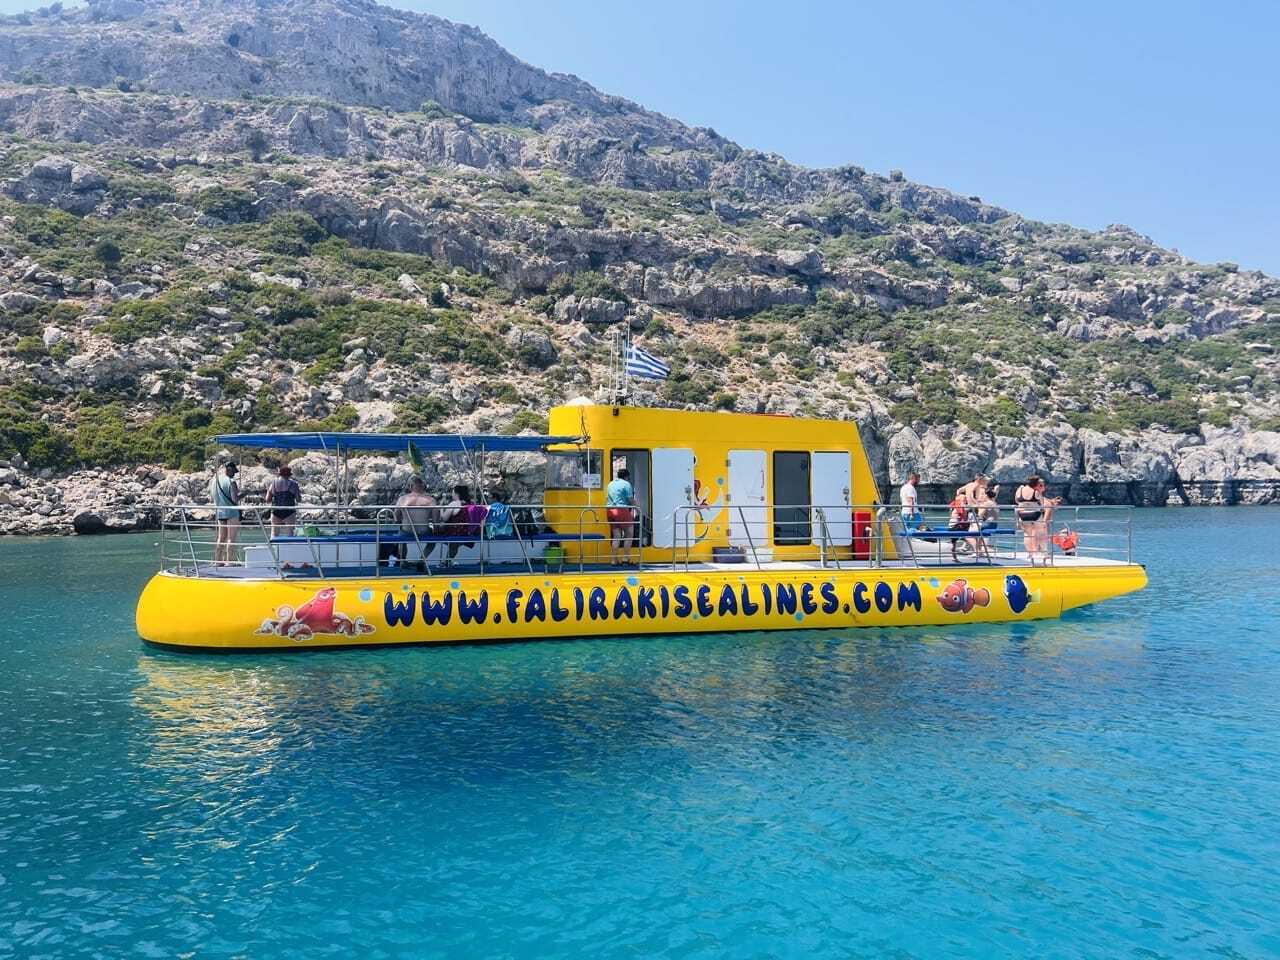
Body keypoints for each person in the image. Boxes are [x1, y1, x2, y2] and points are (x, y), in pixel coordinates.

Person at [1014, 475, 1060, 564]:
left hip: (1022, 514)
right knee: (1041, 533)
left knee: (1027, 534)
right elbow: (1042, 504)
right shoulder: (1035, 492)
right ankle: (1044, 553)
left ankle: (1031, 553)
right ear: (1036, 484)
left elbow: (1016, 500)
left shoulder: (1020, 490)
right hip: (1035, 514)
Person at [394, 477, 437, 568]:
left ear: (410, 487)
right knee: (433, 541)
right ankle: (421, 560)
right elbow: (435, 519)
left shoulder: (403, 499)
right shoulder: (430, 500)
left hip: (407, 531)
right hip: (423, 531)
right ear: (423, 487)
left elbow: (396, 516)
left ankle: (403, 561)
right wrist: (436, 529)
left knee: (401, 537)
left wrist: (399, 521)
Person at [209, 462, 240, 565]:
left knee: (221, 538)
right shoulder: (231, 481)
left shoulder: (215, 481)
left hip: (220, 512)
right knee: (231, 538)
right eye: (234, 472)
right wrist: (244, 494)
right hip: (232, 513)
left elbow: (213, 497)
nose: (234, 474)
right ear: (229, 470)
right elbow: (235, 500)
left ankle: (217, 561)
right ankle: (230, 562)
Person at [606, 467, 638, 565]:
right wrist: (638, 509)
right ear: (627, 477)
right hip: (622, 510)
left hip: (610, 511)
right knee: (629, 534)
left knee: (616, 536)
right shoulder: (626, 484)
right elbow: (630, 500)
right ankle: (625, 558)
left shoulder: (610, 484)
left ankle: (613, 560)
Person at [442, 485, 477, 566]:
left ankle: (447, 561)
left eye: (452, 492)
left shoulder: (454, 504)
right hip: (467, 532)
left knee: (439, 531)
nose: (452, 494)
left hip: (454, 532)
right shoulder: (471, 504)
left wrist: (441, 508)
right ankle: (448, 561)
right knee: (454, 546)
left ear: (457, 493)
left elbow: (444, 518)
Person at [266, 465, 302, 539]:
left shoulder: (273, 483)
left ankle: (274, 545)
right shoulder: (294, 484)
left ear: (280, 474)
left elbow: (268, 499)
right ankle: (289, 545)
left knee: (274, 534)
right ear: (289, 475)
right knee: (290, 533)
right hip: (289, 511)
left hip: (276, 511)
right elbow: (298, 499)